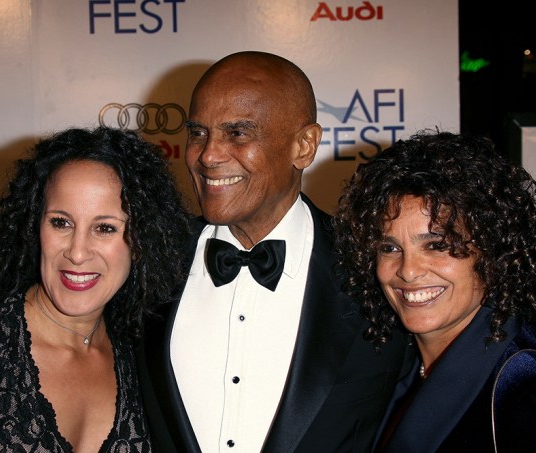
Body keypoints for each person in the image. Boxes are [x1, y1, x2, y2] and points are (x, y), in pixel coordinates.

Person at [138, 50, 414, 453]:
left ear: (304, 146)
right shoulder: (147, 262)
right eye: (198, 133)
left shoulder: (376, 272)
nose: (208, 155)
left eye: (237, 133)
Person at [0, 127, 192, 452]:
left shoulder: (146, 359)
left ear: (143, 240)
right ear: (34, 225)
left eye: (105, 228)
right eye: (61, 222)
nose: (77, 252)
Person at [333, 129, 536, 452]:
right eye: (389, 247)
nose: (408, 270)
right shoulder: (399, 370)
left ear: (493, 251)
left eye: (437, 245)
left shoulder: (528, 394)